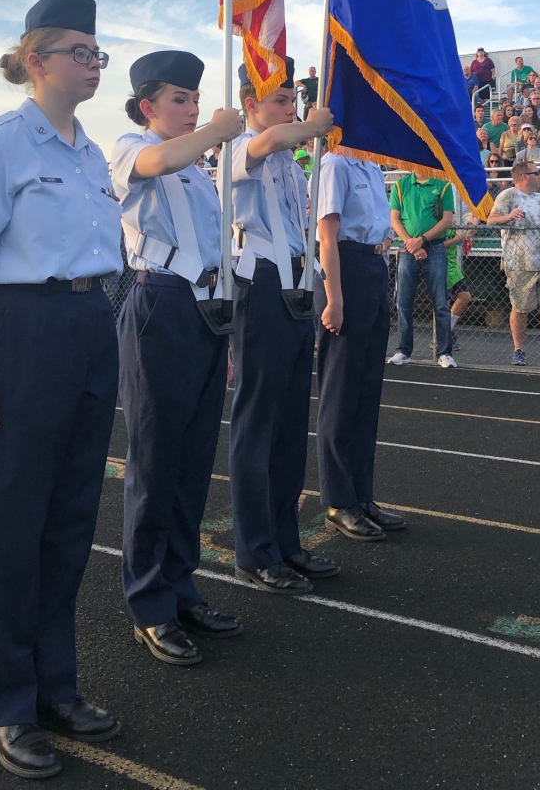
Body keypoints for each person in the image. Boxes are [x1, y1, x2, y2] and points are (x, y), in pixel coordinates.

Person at [0, 0, 124, 778]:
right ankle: (6, 706)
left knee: (70, 522)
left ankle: (57, 688)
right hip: (25, 333)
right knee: (16, 530)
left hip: (92, 327)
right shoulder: (2, 142)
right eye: (83, 53)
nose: (95, 65)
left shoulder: (89, 153)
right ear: (38, 60)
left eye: (99, 54)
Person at [111, 51, 244, 667]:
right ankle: (148, 602)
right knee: (155, 460)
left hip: (204, 311)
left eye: (195, 99)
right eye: (179, 100)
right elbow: (152, 164)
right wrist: (216, 131)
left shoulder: (196, 168)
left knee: (192, 462)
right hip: (159, 305)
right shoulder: (130, 146)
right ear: (147, 106)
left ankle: (181, 584)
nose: (191, 108)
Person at [224, 59, 337, 595]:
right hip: (260, 285)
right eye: (279, 102)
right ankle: (254, 549)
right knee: (257, 423)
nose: (290, 110)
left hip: (296, 285)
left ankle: (286, 540)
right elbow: (264, 146)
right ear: (251, 106)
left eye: (294, 101)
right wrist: (311, 126)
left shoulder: (293, 165)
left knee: (291, 425)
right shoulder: (240, 148)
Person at [312, 150, 402, 543]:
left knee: (366, 393)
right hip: (344, 269)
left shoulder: (369, 165)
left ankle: (362, 495)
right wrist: (334, 298)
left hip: (372, 265)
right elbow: (326, 235)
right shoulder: (334, 164)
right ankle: (338, 500)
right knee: (341, 393)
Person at [487, 161, 540, 368]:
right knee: (520, 309)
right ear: (525, 176)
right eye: (537, 173)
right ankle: (518, 349)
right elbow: (491, 219)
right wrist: (509, 216)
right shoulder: (508, 195)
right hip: (518, 262)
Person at [387, 172, 456, 368]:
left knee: (441, 302)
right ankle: (403, 350)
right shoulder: (401, 185)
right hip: (409, 249)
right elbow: (395, 219)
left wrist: (421, 240)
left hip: (433, 248)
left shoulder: (443, 185)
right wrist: (413, 244)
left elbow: (447, 220)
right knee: (403, 302)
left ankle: (444, 352)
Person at [444, 226, 474, 352]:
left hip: (452, 266)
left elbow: (464, 235)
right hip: (440, 264)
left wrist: (473, 226)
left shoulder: (453, 223)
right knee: (444, 303)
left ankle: (446, 330)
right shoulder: (436, 222)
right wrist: (458, 238)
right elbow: (438, 245)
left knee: (465, 296)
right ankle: (442, 337)